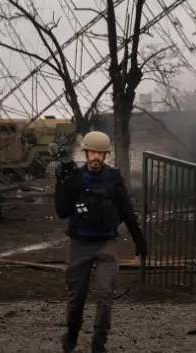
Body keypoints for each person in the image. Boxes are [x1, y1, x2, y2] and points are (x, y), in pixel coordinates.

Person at [54, 131, 147, 353]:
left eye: (100, 153)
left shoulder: (113, 178)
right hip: (80, 243)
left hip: (106, 242)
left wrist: (139, 240)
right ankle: (72, 333)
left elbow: (127, 210)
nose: (96, 157)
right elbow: (62, 211)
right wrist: (62, 184)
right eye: (92, 152)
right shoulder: (75, 177)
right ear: (86, 153)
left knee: (105, 294)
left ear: (106, 155)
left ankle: (99, 344)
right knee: (76, 296)